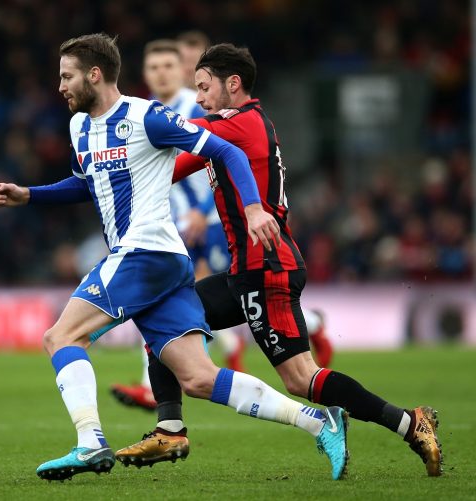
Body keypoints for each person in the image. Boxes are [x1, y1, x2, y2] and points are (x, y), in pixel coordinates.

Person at [0, 33, 348, 482]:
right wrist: (30, 195)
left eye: (67, 76)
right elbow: (88, 183)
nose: (60, 86)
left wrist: (254, 207)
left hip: (144, 251)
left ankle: (89, 442)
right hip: (167, 264)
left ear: (94, 74)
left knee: (60, 337)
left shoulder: (146, 117)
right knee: (197, 378)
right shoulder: (79, 126)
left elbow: (226, 149)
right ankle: (318, 421)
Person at [114, 43, 443, 478]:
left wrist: (115, 128)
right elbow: (169, 168)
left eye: (205, 88)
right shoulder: (227, 129)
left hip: (267, 270)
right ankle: (170, 429)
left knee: (301, 379)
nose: (199, 98)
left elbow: (174, 139)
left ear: (233, 84)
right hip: (244, 272)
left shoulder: (240, 123)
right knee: (163, 317)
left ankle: (408, 422)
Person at [110, 39, 242, 410]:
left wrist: (201, 210)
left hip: (209, 220)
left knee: (215, 297)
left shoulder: (195, 108)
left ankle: (307, 325)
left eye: (168, 66)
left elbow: (219, 157)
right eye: (154, 68)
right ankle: (161, 384)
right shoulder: (142, 112)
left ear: (181, 69)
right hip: (170, 227)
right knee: (175, 300)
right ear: (145, 73)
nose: (161, 73)